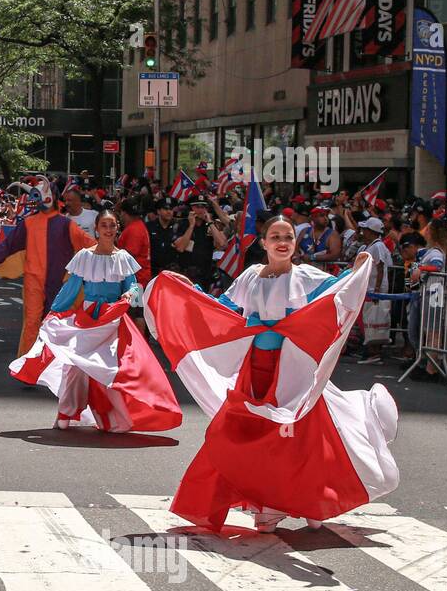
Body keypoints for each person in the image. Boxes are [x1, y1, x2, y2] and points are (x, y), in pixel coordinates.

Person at [144, 216, 399, 533]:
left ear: (294, 243)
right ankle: (268, 505)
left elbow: (338, 291)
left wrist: (357, 269)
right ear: (263, 243)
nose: (282, 241)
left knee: (300, 438)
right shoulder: (250, 276)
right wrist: (190, 293)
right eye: (275, 236)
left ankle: (307, 500)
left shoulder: (305, 276)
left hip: (294, 372)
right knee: (247, 436)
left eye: (288, 236)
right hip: (255, 372)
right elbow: (222, 307)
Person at [11, 209, 181, 432]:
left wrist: (130, 294)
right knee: (75, 367)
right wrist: (53, 313)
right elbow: (70, 289)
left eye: (112, 225)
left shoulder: (124, 258)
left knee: (109, 369)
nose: (108, 230)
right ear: (97, 229)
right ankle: (66, 412)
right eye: (104, 226)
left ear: (117, 228)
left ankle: (112, 416)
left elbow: (133, 288)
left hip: (112, 320)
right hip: (88, 318)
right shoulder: (84, 256)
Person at [0, 176, 95, 355]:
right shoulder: (29, 224)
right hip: (34, 281)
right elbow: (9, 244)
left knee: (55, 322)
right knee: (33, 322)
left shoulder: (67, 225)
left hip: (58, 282)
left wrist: (111, 255)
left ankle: (52, 361)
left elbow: (89, 244)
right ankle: (28, 364)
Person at [355, 217, 393, 364]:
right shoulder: (370, 246)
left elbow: (381, 266)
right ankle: (370, 351)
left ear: (371, 231)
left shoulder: (377, 246)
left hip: (374, 291)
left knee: (374, 322)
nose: (363, 232)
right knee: (368, 321)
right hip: (368, 289)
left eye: (365, 230)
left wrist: (377, 289)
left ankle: (374, 353)